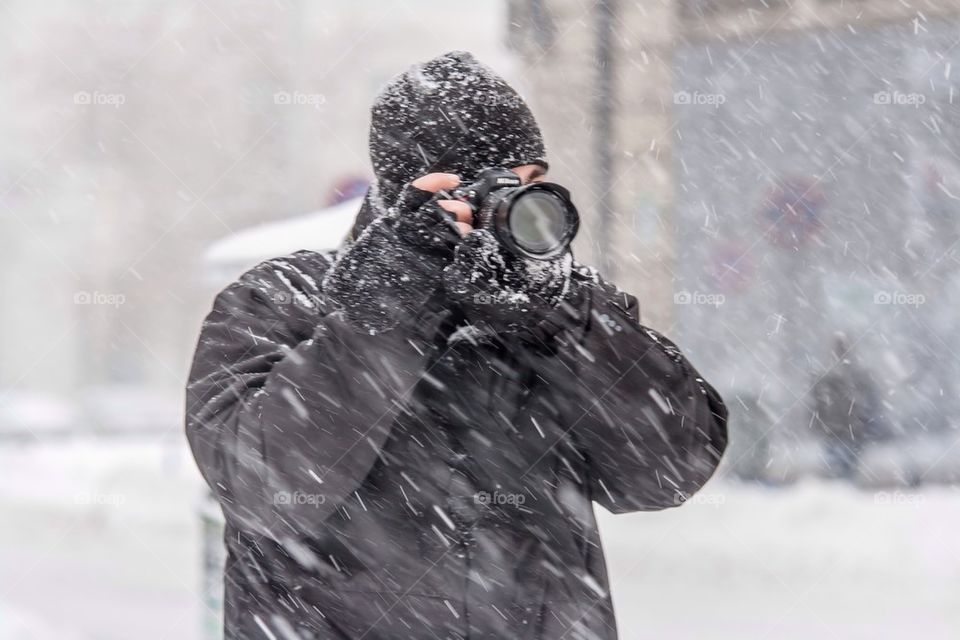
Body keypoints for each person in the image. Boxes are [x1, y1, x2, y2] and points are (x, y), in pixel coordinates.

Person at [185, 51, 728, 640]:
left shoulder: (560, 305)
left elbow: (671, 469)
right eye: (485, 187)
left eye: (527, 185)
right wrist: (389, 308)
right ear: (411, 189)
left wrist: (561, 322)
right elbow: (266, 488)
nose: (510, 207)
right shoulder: (283, 299)